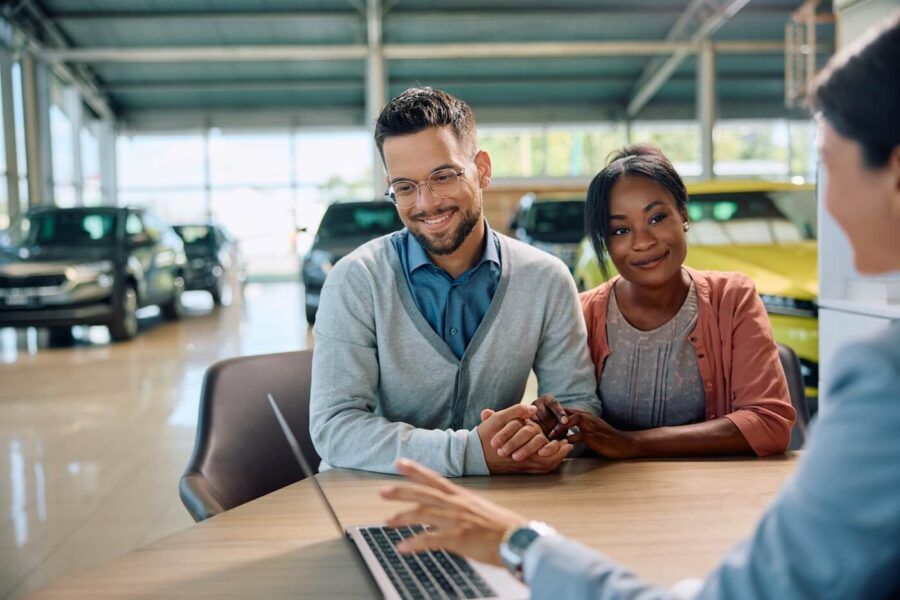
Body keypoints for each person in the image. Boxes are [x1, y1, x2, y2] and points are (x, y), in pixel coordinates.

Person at [381, 14, 900, 598]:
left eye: (829, 167)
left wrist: (520, 541)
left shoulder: (879, 374)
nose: (824, 208)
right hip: (617, 517)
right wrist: (546, 426)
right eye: (621, 230)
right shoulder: (583, 309)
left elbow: (769, 439)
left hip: (713, 525)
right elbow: (574, 416)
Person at [309, 87, 601, 477]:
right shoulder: (355, 280)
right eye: (405, 187)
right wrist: (469, 453)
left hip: (495, 497)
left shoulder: (545, 279)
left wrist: (550, 438)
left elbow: (578, 405)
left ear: (482, 168)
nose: (426, 204)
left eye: (442, 177)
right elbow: (335, 429)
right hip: (375, 493)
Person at [566, 144, 795, 459]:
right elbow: (572, 432)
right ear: (606, 243)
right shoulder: (581, 313)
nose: (643, 241)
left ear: (683, 215)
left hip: (712, 496)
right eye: (621, 230)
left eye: (657, 218)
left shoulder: (732, 297)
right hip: (610, 497)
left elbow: (770, 424)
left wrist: (634, 444)